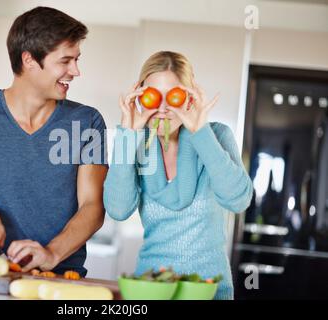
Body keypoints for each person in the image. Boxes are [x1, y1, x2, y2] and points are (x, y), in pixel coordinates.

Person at [0, 7, 108, 277]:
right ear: (29, 60)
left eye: (76, 60)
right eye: (65, 61)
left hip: (59, 280)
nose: (75, 71)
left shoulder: (87, 121)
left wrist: (52, 254)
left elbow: (92, 206)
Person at [103, 51, 253, 299]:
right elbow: (118, 209)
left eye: (172, 96)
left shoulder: (217, 136)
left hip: (210, 293)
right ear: (140, 97)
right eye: (153, 96)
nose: (162, 108)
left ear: (189, 96)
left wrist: (200, 132)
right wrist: (127, 137)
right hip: (151, 291)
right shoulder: (136, 146)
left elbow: (238, 200)